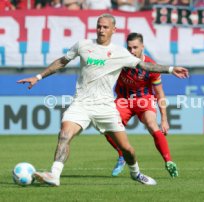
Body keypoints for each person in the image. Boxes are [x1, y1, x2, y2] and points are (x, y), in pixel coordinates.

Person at [17, 13, 189, 186]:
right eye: (99, 26)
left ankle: (135, 173)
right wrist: (38, 77)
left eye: (105, 27)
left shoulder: (120, 53)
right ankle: (54, 174)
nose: (101, 30)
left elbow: (145, 65)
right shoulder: (83, 45)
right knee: (64, 135)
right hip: (81, 103)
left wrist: (171, 68)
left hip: (105, 106)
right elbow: (62, 62)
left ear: (114, 30)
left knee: (127, 149)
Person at [105, 32, 178, 178]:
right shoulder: (121, 60)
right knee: (107, 127)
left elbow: (159, 93)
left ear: (142, 47)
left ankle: (169, 161)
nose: (132, 51)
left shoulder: (151, 67)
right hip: (123, 100)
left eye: (135, 47)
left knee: (152, 124)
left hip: (144, 100)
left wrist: (164, 118)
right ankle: (122, 155)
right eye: (129, 48)